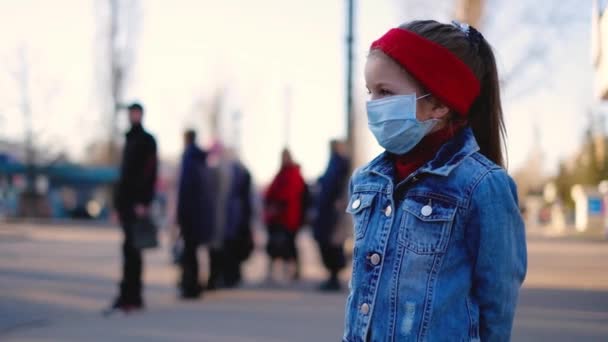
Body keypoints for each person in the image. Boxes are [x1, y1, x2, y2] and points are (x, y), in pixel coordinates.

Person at [342, 21, 527, 341]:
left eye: (385, 92)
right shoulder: (366, 180)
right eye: (370, 91)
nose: (373, 105)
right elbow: (362, 295)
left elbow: (497, 306)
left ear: (439, 104)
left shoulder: (484, 186)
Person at [107, 102, 158, 314]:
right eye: (131, 113)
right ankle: (127, 293)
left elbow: (150, 172)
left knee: (134, 250)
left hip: (137, 204)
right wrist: (118, 205)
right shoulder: (128, 139)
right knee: (128, 249)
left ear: (142, 115)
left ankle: (134, 295)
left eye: (136, 113)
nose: (133, 116)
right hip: (127, 203)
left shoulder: (147, 140)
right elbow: (124, 176)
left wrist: (144, 202)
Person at [176, 130, 214, 299]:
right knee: (193, 250)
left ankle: (189, 285)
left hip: (190, 213)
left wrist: (180, 213)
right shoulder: (202, 161)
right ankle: (193, 284)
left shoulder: (189, 159)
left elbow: (185, 190)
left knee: (189, 251)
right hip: (200, 214)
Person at [264, 148, 306, 282]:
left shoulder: (293, 174)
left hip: (289, 216)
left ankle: (292, 270)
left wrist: (277, 204)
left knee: (289, 244)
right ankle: (282, 270)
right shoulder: (281, 173)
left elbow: (289, 194)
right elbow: (271, 191)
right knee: (278, 244)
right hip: (279, 216)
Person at [313, 140, 350, 291]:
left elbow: (341, 185)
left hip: (334, 212)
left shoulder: (342, 164)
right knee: (328, 243)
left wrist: (339, 200)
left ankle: (334, 277)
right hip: (328, 211)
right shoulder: (334, 163)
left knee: (333, 243)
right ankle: (332, 275)